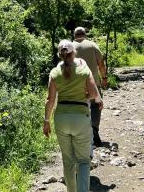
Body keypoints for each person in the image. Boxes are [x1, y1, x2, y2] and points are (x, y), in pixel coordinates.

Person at [44, 40, 103, 192]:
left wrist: (46, 121)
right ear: (74, 52)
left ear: (60, 55)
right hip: (80, 117)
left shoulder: (54, 72)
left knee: (68, 161)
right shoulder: (84, 70)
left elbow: (50, 100)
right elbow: (95, 93)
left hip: (61, 118)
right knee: (83, 161)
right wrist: (95, 99)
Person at [72, 27, 108, 146]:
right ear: (85, 34)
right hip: (93, 83)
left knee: (79, 108)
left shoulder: (70, 46)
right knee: (96, 105)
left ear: (74, 35)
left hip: (76, 84)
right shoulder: (92, 45)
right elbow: (101, 63)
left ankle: (81, 135)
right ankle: (94, 129)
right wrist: (104, 78)